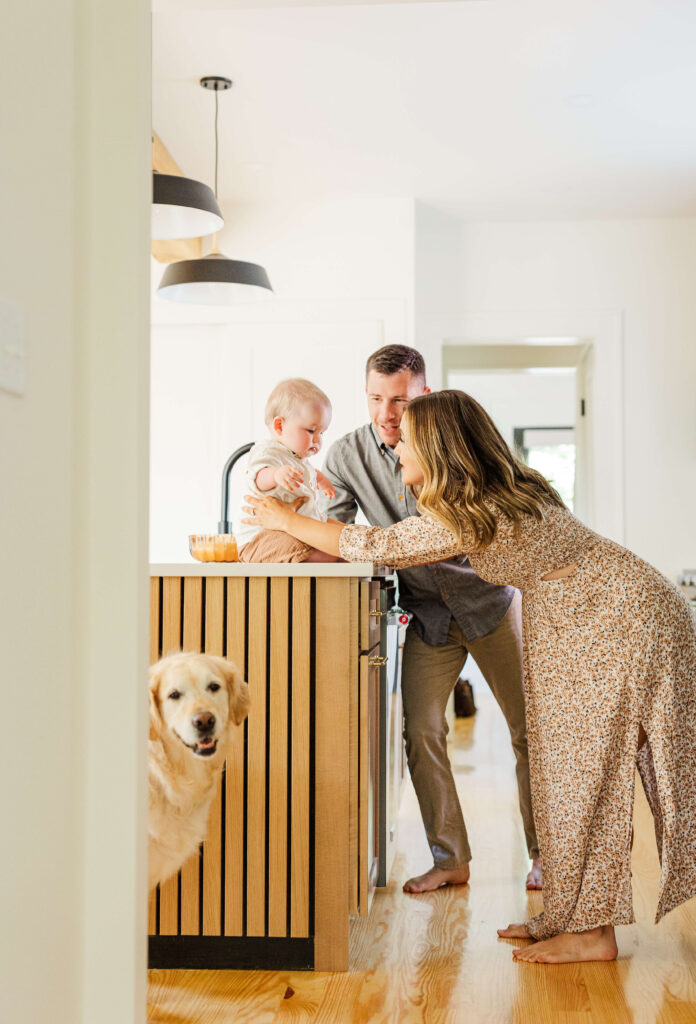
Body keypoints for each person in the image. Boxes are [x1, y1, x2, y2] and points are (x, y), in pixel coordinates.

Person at [242, 389, 696, 965]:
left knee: (584, 772)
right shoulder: (490, 491)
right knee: (562, 768)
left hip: (616, 613)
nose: (396, 447)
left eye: (405, 440)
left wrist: (281, 517)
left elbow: (380, 543)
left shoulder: (473, 508)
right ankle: (566, 914)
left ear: (435, 448)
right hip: (588, 611)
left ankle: (592, 931)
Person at [327, 345, 542, 893]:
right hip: (427, 616)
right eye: (375, 398)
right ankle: (451, 859)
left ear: (424, 393)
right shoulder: (347, 455)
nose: (386, 413)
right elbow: (334, 538)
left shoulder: (452, 441)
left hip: (491, 602)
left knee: (528, 733)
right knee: (420, 730)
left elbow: (388, 539)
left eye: (399, 399)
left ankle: (547, 857)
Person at [236, 377, 341, 563]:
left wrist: (321, 480)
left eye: (321, 433)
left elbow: (306, 475)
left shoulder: (297, 459)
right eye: (311, 431)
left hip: (287, 533)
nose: (317, 440)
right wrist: (275, 475)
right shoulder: (268, 451)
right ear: (279, 426)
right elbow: (257, 477)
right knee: (327, 555)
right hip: (261, 539)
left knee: (337, 552)